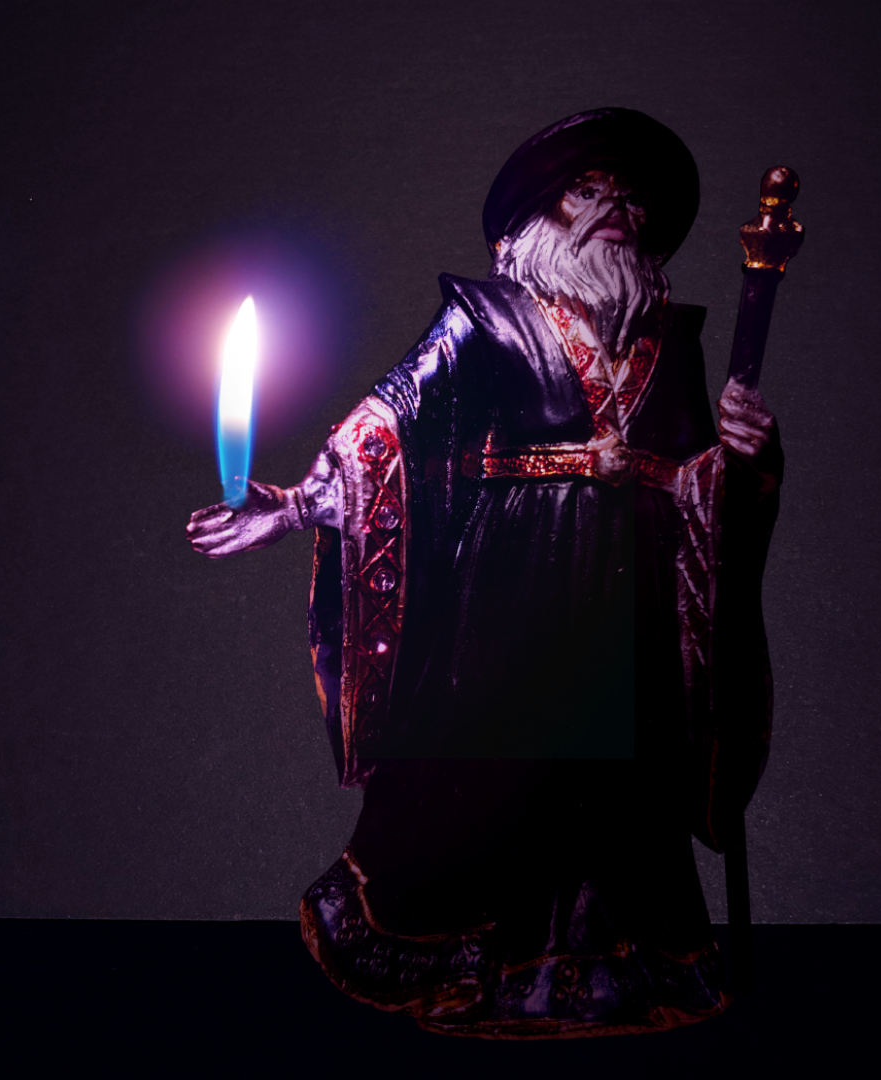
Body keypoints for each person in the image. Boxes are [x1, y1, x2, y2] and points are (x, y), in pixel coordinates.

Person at [187, 108, 782, 1038]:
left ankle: (614, 962)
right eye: (588, 190)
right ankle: (475, 955)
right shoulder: (485, 320)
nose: (613, 209)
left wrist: (744, 457)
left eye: (631, 198)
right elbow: (390, 425)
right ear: (539, 216)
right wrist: (299, 504)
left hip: (634, 590)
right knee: (502, 766)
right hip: (518, 582)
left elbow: (703, 478)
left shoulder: (676, 338)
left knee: (624, 780)